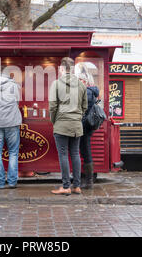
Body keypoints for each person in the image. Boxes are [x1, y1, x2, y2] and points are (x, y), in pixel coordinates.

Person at [49, 57, 87, 195]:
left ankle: (66, 186)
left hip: (61, 124)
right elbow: (84, 106)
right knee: (75, 154)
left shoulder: (56, 84)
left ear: (62, 69)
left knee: (63, 155)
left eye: (59, 68)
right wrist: (77, 117)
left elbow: (52, 106)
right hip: (76, 125)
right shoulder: (81, 85)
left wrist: (54, 121)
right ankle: (76, 186)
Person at [0, 65, 22, 189]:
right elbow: (17, 101)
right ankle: (12, 182)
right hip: (12, 121)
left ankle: (0, 183)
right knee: (13, 152)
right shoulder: (14, 85)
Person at [78, 72, 99, 189]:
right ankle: (86, 179)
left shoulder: (87, 92)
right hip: (86, 125)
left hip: (84, 126)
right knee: (84, 150)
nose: (78, 82)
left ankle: (88, 180)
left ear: (85, 81)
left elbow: (83, 110)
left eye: (80, 80)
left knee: (85, 151)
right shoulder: (91, 91)